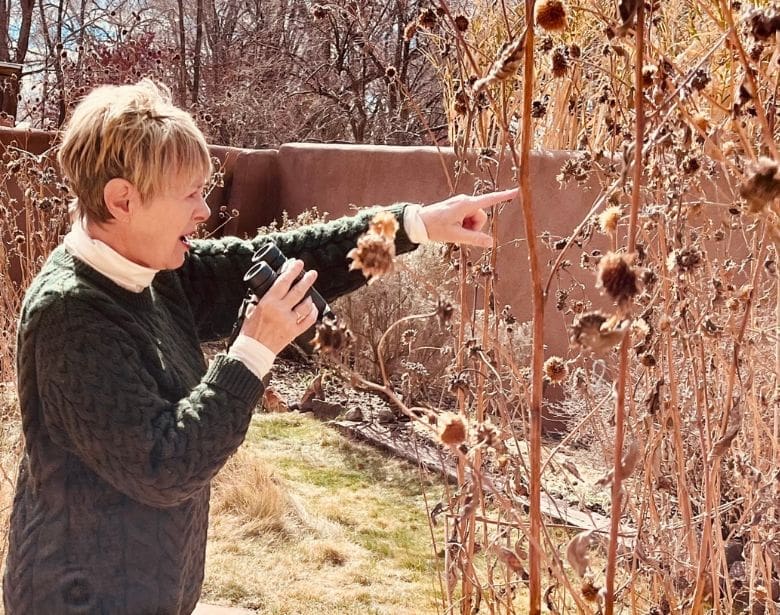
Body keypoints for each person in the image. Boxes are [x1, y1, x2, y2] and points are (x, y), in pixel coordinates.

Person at [3, 79, 517, 614]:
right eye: (190, 194)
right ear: (122, 199)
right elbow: (165, 464)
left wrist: (411, 226)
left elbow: (282, 259)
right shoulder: (72, 315)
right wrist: (253, 351)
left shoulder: (153, 269)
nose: (204, 211)